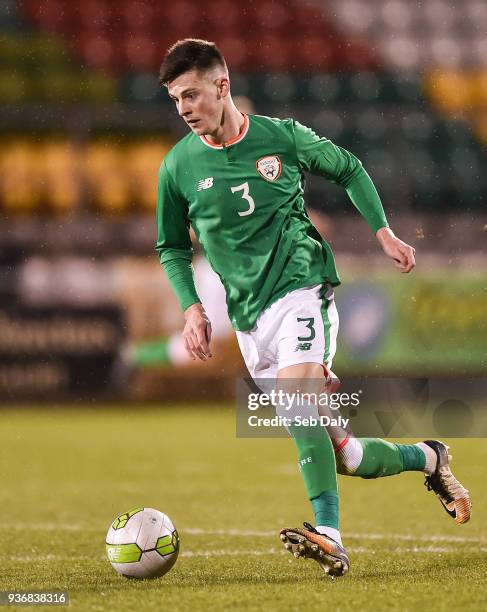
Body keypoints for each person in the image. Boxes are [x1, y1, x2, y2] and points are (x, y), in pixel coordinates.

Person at [155, 39, 471, 578]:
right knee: (344, 456)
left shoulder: (281, 137)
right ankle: (431, 457)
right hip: (250, 319)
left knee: (297, 394)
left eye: (191, 95)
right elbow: (172, 246)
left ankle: (329, 534)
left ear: (221, 86)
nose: (183, 109)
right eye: (174, 99)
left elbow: (348, 168)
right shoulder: (177, 168)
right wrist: (192, 309)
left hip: (303, 288)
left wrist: (385, 234)